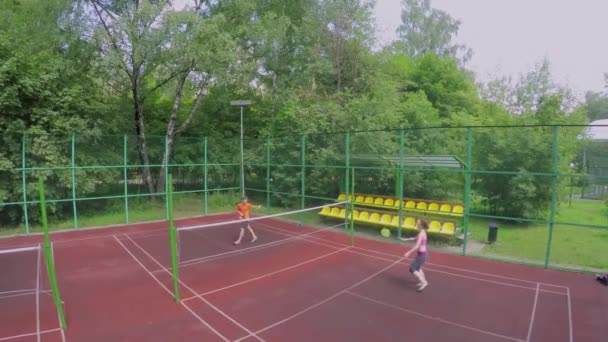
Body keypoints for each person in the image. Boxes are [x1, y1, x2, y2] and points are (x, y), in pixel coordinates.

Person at [402, 219, 430, 292]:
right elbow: (416, 238)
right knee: (418, 268)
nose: (416, 224)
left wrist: (408, 252)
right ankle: (422, 281)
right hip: (422, 254)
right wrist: (407, 239)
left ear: (421, 225)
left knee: (412, 269)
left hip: (422, 255)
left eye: (418, 223)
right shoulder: (421, 232)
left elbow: (417, 245)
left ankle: (424, 282)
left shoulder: (421, 233)